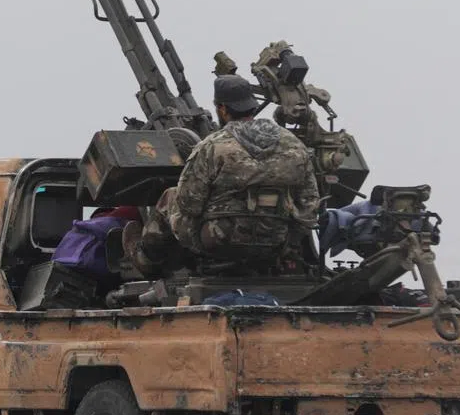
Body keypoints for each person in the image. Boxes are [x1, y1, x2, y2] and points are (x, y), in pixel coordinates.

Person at [123, 74, 320, 275]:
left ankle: (147, 259)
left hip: (218, 241)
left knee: (169, 197)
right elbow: (310, 203)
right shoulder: (295, 146)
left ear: (222, 109)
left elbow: (188, 204)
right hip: (275, 241)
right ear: (252, 105)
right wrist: (288, 241)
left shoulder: (212, 147)